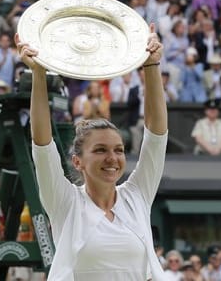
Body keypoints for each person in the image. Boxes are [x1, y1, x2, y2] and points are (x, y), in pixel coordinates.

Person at [16, 22, 168, 280]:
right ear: (78, 161)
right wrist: (38, 74)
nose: (112, 158)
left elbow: (156, 136)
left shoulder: (137, 197)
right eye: (100, 150)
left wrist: (151, 66)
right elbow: (42, 144)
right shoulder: (65, 201)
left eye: (119, 150)